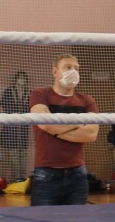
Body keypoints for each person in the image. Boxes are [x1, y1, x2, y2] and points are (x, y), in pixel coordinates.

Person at [29, 55, 99, 206]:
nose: (73, 71)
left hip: (77, 174)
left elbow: (92, 134)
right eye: (68, 67)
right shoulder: (40, 94)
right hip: (46, 173)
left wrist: (56, 130)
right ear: (55, 72)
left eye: (76, 68)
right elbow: (46, 124)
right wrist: (79, 122)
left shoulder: (87, 100)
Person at [0, 70, 31, 181]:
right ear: (15, 80)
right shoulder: (9, 91)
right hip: (11, 126)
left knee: (23, 152)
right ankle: (16, 177)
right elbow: (3, 106)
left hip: (24, 126)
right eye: (20, 78)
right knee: (14, 152)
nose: (22, 80)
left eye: (24, 78)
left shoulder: (30, 92)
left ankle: (23, 177)